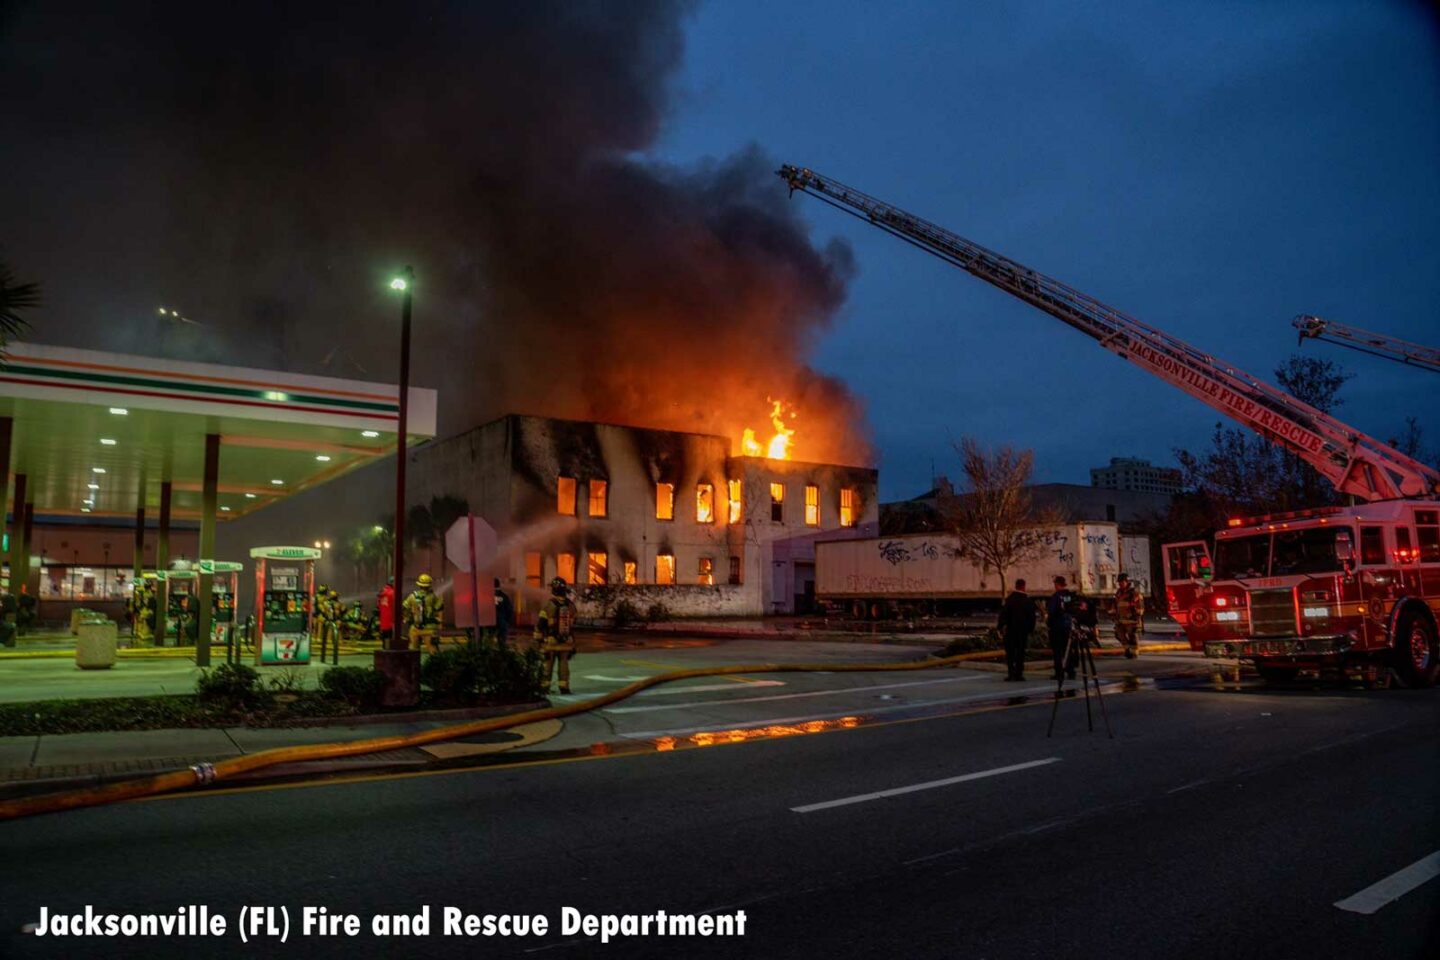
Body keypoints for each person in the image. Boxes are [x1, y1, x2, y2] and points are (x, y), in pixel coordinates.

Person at [533, 577, 577, 694]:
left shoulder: (549, 605)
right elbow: (572, 625)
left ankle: (544, 687)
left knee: (548, 665)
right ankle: (564, 687)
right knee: (563, 665)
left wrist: (537, 640)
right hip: (566, 641)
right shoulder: (571, 606)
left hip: (551, 641)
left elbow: (541, 624)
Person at [996, 578, 1036, 681]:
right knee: (1020, 653)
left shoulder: (1009, 600)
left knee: (1010, 653)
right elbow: (1032, 617)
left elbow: (1003, 615)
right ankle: (1019, 674)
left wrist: (1000, 627)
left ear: (1016, 586)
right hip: (1022, 632)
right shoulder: (1028, 601)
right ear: (1024, 587)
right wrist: (1030, 629)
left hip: (1010, 631)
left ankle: (1011, 673)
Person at [1047, 575, 1077, 681]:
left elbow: (1052, 611)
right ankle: (1071, 671)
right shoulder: (1068, 595)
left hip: (1057, 627)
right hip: (1067, 626)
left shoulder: (1056, 596)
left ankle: (1059, 672)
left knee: (1057, 652)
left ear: (1057, 584)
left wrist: (1049, 622)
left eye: (1055, 583)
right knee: (1068, 650)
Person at [403, 573, 444, 650]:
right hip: (430, 628)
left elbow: (404, 608)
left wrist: (406, 617)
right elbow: (439, 609)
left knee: (413, 650)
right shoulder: (433, 596)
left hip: (415, 627)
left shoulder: (412, 596)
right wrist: (440, 624)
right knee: (433, 650)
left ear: (419, 584)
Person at [1112, 572, 1146, 659]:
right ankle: (1127, 650)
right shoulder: (1118, 593)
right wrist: (1114, 616)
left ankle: (1134, 652)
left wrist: (1137, 618)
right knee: (1119, 635)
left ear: (1127, 582)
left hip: (1132, 620)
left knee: (1133, 637)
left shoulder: (1134, 593)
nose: (1120, 584)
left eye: (1122, 582)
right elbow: (1116, 605)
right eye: (1119, 582)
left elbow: (1140, 608)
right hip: (1121, 620)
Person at [492, 577, 512, 648]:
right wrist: (507, 622)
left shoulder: (487, 596)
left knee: (488, 642)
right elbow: (509, 610)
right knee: (501, 643)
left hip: (490, 623)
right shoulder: (504, 596)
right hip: (502, 622)